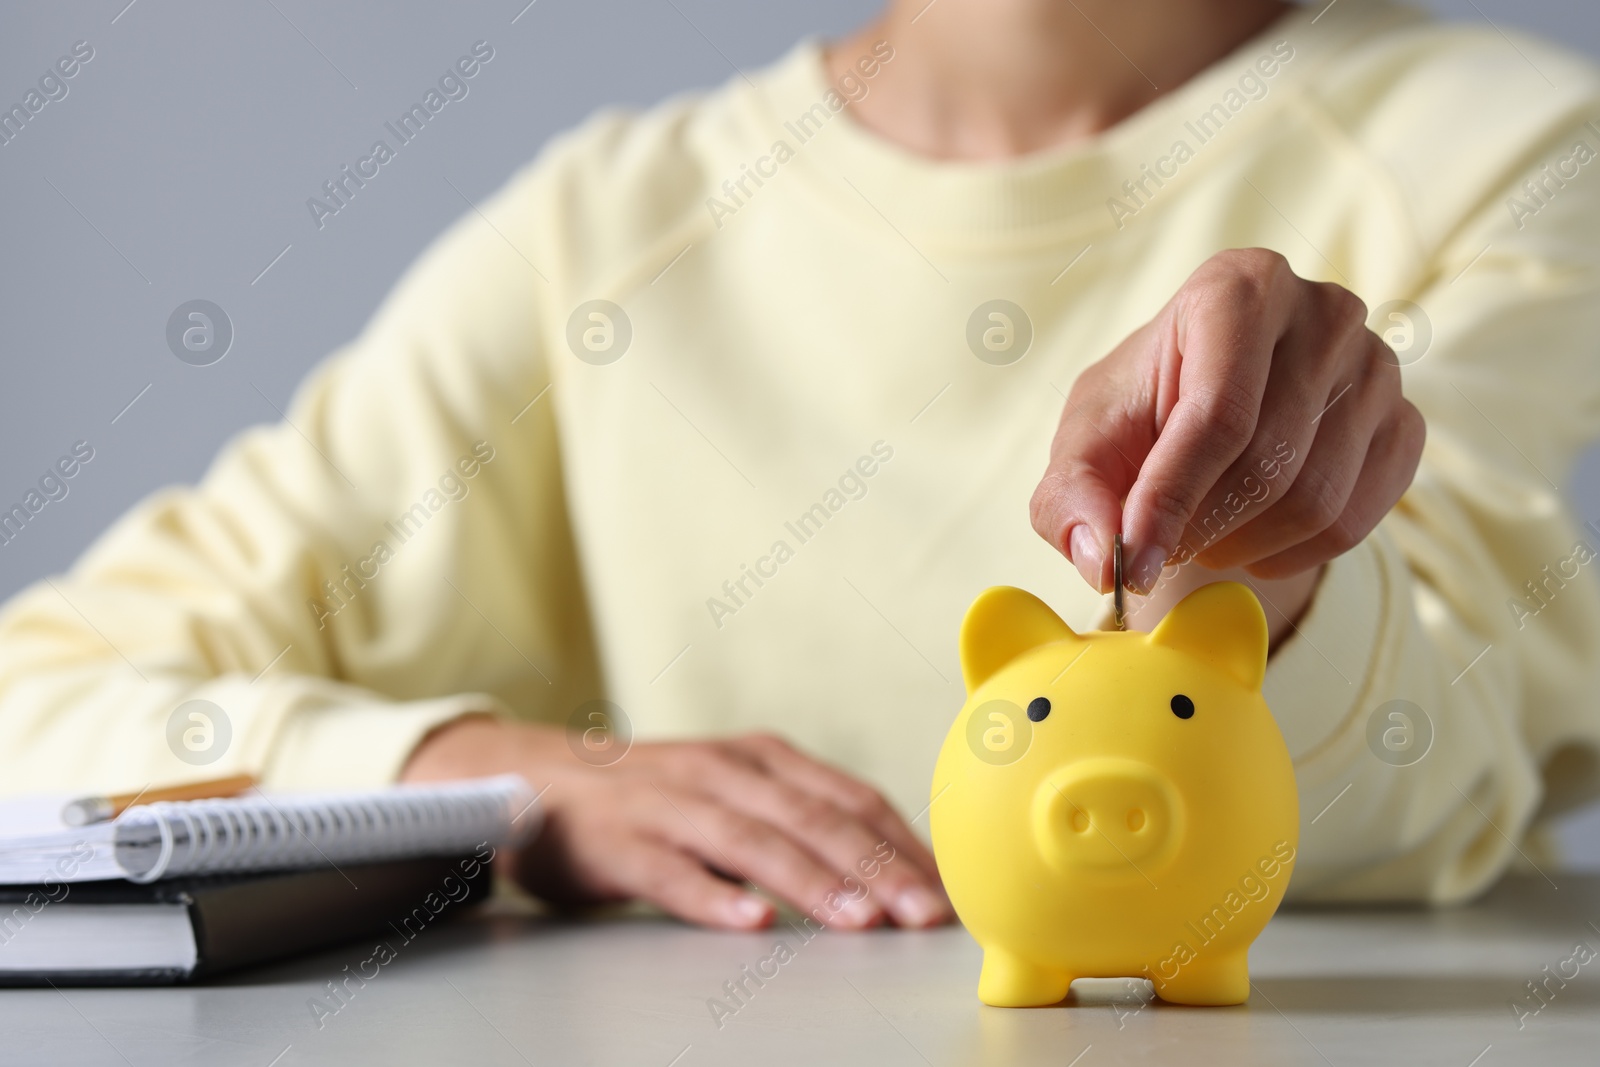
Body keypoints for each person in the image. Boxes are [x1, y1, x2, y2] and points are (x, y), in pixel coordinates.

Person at [3, 0, 1599, 930]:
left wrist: (1262, 566)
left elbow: (1431, 775)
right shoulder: (606, 234)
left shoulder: (1507, 148)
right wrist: (494, 784)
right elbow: (37, 706)